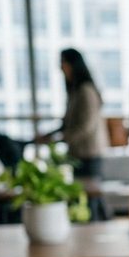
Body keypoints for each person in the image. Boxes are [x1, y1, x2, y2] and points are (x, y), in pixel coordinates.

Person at [36, 48, 109, 178]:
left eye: (63, 62)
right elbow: (67, 123)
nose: (61, 67)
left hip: (89, 154)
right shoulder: (74, 91)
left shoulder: (86, 91)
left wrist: (60, 139)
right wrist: (50, 136)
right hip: (77, 153)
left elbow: (86, 126)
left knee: (90, 194)